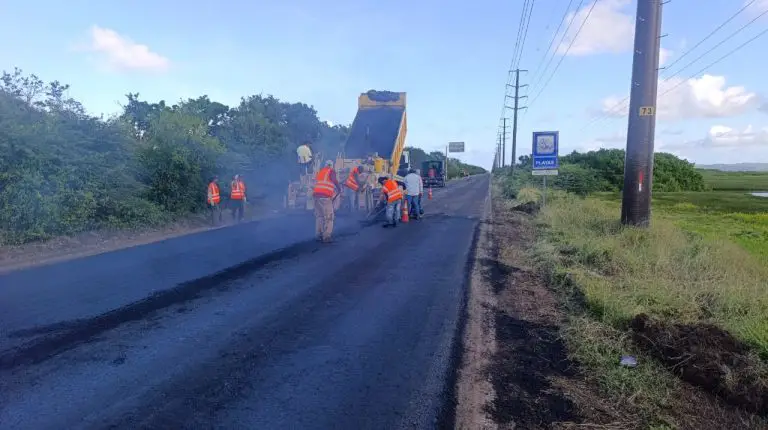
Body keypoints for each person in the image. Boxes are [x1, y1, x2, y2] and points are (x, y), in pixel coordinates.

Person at [313, 160, 340, 243]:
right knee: (329, 217)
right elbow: (334, 180)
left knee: (320, 216)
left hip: (316, 196)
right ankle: (326, 237)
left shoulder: (320, 172)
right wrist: (339, 188)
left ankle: (318, 235)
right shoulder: (331, 171)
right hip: (325, 197)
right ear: (331, 165)